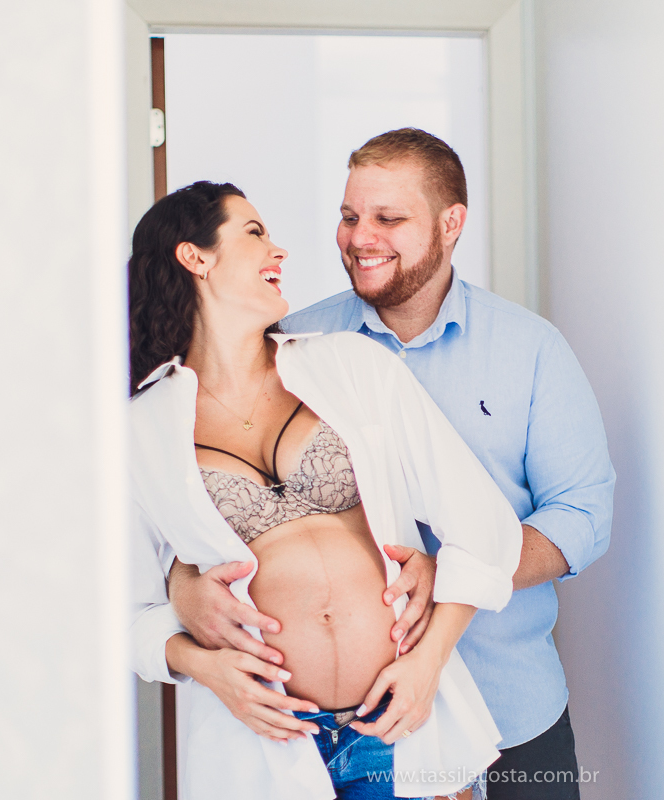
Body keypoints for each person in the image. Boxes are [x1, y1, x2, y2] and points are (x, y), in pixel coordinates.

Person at [170, 129, 616, 800]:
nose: (360, 238)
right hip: (353, 733)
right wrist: (184, 588)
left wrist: (450, 573)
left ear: (451, 223)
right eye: (350, 216)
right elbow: (211, 495)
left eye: (388, 218)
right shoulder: (291, 345)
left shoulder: (531, 349)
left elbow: (583, 514)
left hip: (510, 707)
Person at [127, 180, 523, 800]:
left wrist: (428, 663)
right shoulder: (138, 430)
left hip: (398, 725)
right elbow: (121, 614)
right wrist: (202, 662)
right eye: (254, 233)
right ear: (195, 257)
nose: (278, 250)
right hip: (264, 744)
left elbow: (484, 525)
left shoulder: (351, 365)